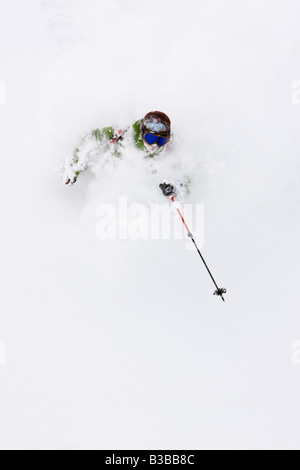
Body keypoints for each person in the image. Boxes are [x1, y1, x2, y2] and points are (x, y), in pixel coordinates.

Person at [63, 111, 179, 197]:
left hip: (136, 190)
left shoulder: (170, 149)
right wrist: (74, 167)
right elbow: (92, 138)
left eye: (160, 141)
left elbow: (184, 173)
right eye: (150, 138)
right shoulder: (125, 133)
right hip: (111, 174)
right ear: (142, 133)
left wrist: (176, 187)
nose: (155, 145)